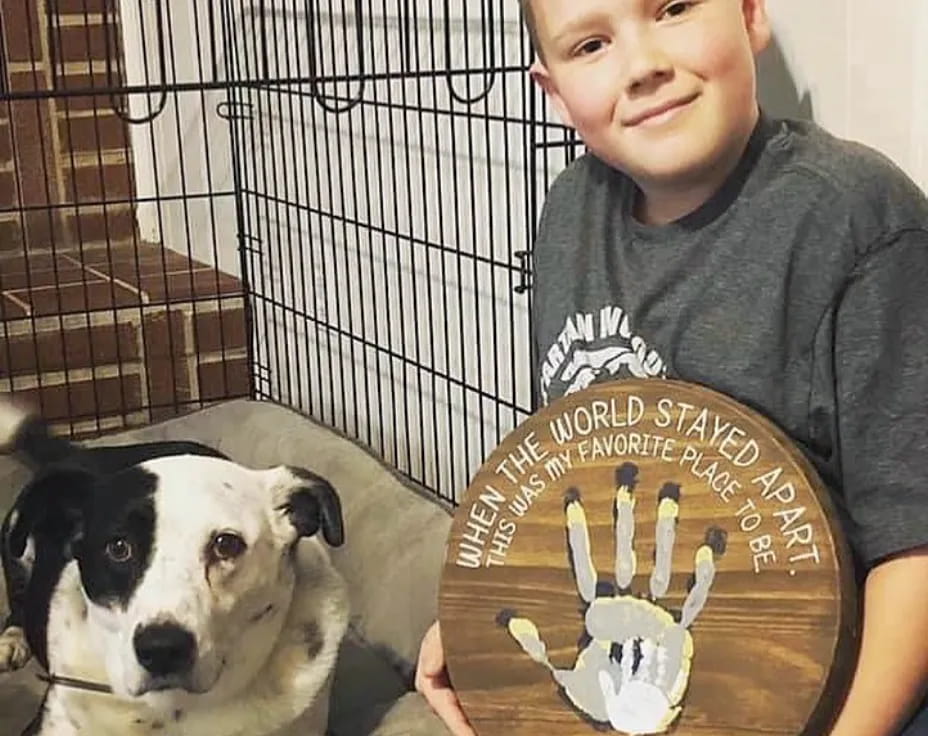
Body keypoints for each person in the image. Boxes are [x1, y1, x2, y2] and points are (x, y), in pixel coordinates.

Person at [415, 1, 928, 734]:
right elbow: (566, 474)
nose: (644, 64)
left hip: (845, 686)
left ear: (750, 13)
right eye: (591, 45)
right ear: (555, 93)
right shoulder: (570, 213)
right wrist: (477, 628)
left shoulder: (855, 220)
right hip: (642, 672)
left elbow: (916, 545)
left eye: (675, 7)